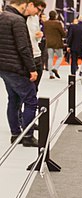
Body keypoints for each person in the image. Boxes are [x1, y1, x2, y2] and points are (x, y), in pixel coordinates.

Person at [0, 0, 45, 146]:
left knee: (13, 100)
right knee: (31, 101)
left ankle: (16, 134)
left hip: (4, 67)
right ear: (25, 4)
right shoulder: (17, 20)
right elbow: (24, 48)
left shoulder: (3, 17)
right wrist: (32, 69)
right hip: (17, 68)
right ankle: (28, 136)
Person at [26, 1, 46, 88]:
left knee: (34, 89)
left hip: (37, 55)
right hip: (25, 56)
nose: (39, 13)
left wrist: (40, 35)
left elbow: (37, 37)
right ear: (31, 5)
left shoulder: (36, 18)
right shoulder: (19, 18)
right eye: (38, 10)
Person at [44, 10, 66, 79]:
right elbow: (63, 34)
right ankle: (55, 68)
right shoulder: (58, 23)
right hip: (57, 43)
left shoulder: (46, 23)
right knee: (60, 57)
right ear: (55, 16)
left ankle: (51, 74)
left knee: (50, 58)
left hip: (49, 43)